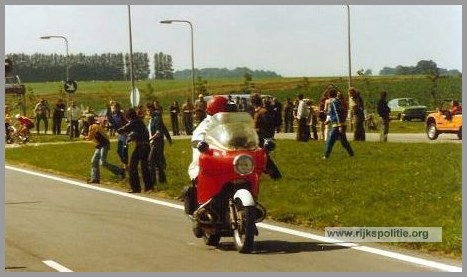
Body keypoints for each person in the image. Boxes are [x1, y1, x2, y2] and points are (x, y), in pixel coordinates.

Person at [117, 108, 152, 193]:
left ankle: (135, 187)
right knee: (144, 167)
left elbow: (121, 130)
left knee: (133, 166)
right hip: (146, 146)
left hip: (141, 146)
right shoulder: (139, 122)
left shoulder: (134, 122)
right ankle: (149, 187)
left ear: (129, 116)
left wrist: (127, 134)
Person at [250, 93, 282, 180]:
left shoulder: (262, 112)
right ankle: (270, 173)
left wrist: (257, 131)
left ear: (253, 103)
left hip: (261, 137)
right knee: (261, 157)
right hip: (258, 137)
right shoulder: (259, 111)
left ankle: (274, 174)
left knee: (263, 157)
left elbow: (266, 126)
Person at [85, 116, 124, 184]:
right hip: (100, 145)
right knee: (94, 161)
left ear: (89, 121)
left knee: (103, 162)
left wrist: (84, 137)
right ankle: (95, 178)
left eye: (87, 120)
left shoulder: (93, 126)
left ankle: (120, 171)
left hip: (104, 144)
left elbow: (90, 137)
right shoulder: (95, 126)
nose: (87, 122)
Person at [323, 88, 354, 159]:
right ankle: (351, 154)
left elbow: (337, 113)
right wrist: (330, 120)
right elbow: (336, 113)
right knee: (344, 142)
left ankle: (325, 156)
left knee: (330, 141)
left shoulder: (333, 102)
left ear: (329, 95)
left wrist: (339, 125)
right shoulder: (338, 101)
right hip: (340, 124)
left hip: (337, 126)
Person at [147, 103, 173, 186]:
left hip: (157, 143)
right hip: (153, 143)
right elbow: (164, 128)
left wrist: (150, 139)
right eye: (147, 110)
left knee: (150, 161)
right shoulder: (151, 119)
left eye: (150, 110)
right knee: (157, 162)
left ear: (153, 110)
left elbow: (158, 132)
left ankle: (152, 182)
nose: (148, 112)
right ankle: (162, 180)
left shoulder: (156, 119)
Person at [107, 101, 128, 173]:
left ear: (118, 108)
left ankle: (126, 166)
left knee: (124, 150)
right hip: (120, 135)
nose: (112, 109)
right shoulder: (112, 116)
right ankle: (124, 163)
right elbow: (113, 125)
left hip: (125, 134)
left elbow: (128, 122)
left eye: (114, 107)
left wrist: (125, 130)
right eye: (112, 107)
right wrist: (107, 126)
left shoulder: (121, 115)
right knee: (119, 151)